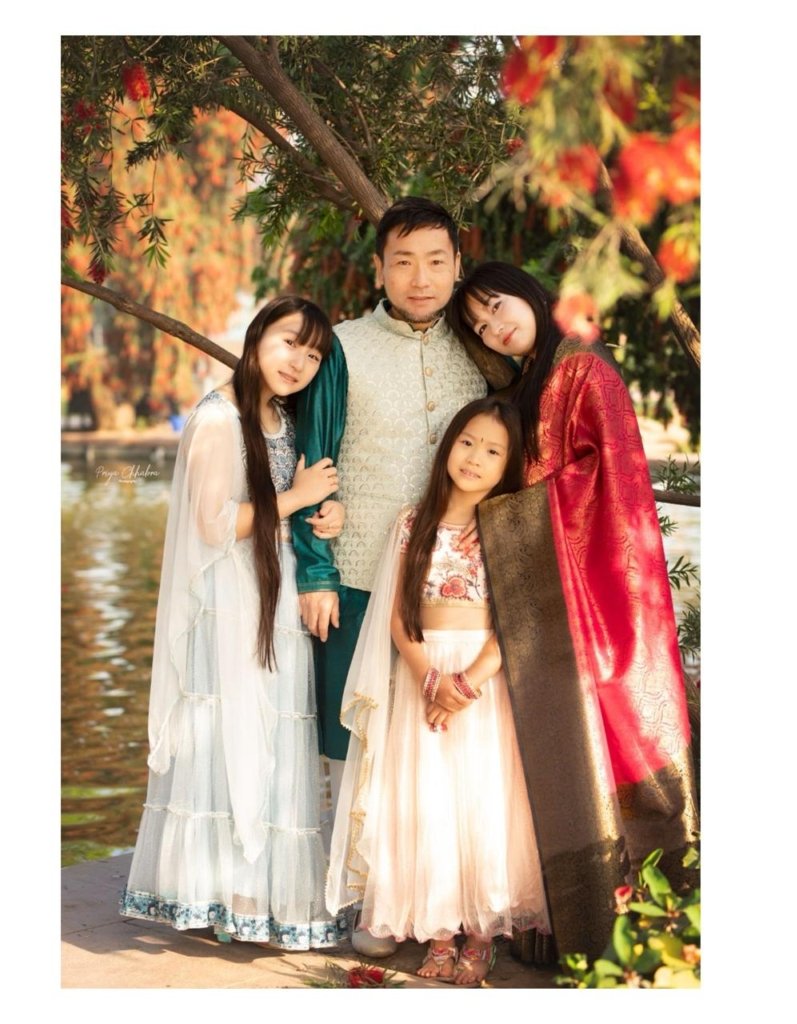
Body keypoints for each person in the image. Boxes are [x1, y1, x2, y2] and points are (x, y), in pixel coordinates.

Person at [448, 263, 699, 959]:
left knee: (616, 736)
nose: (493, 327)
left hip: (601, 593)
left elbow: (613, 476)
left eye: (496, 306)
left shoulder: (584, 367)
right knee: (560, 747)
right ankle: (564, 930)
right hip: (552, 591)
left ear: (528, 293)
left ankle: (634, 933)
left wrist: (511, 517)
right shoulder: (528, 381)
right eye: (478, 326)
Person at [291, 197, 512, 955]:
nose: (420, 279)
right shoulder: (343, 347)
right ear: (379, 268)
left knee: (443, 746)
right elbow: (313, 459)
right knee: (360, 737)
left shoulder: (483, 353)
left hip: (459, 585)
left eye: (436, 262)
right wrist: (314, 572)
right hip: (357, 574)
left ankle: (447, 901)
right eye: (404, 262)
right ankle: (372, 901)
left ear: (457, 266)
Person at [120, 296, 349, 950]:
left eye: (313, 355)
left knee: (273, 737)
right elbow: (214, 522)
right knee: (230, 733)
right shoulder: (219, 418)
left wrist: (325, 515)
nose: (299, 362)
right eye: (289, 343)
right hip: (230, 599)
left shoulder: (284, 417)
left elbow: (290, 509)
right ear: (256, 338)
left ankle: (257, 897)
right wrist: (299, 497)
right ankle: (217, 894)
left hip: (276, 596)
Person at [326, 397, 550, 985]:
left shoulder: (508, 526)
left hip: (483, 681)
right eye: (467, 442)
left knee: (480, 798)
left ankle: (481, 935)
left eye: (493, 451)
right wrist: (430, 677)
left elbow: (515, 620)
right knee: (429, 800)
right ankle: (440, 932)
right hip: (422, 674)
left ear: (509, 464)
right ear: (448, 444)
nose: (475, 457)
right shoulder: (413, 522)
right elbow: (399, 615)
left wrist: (465, 683)